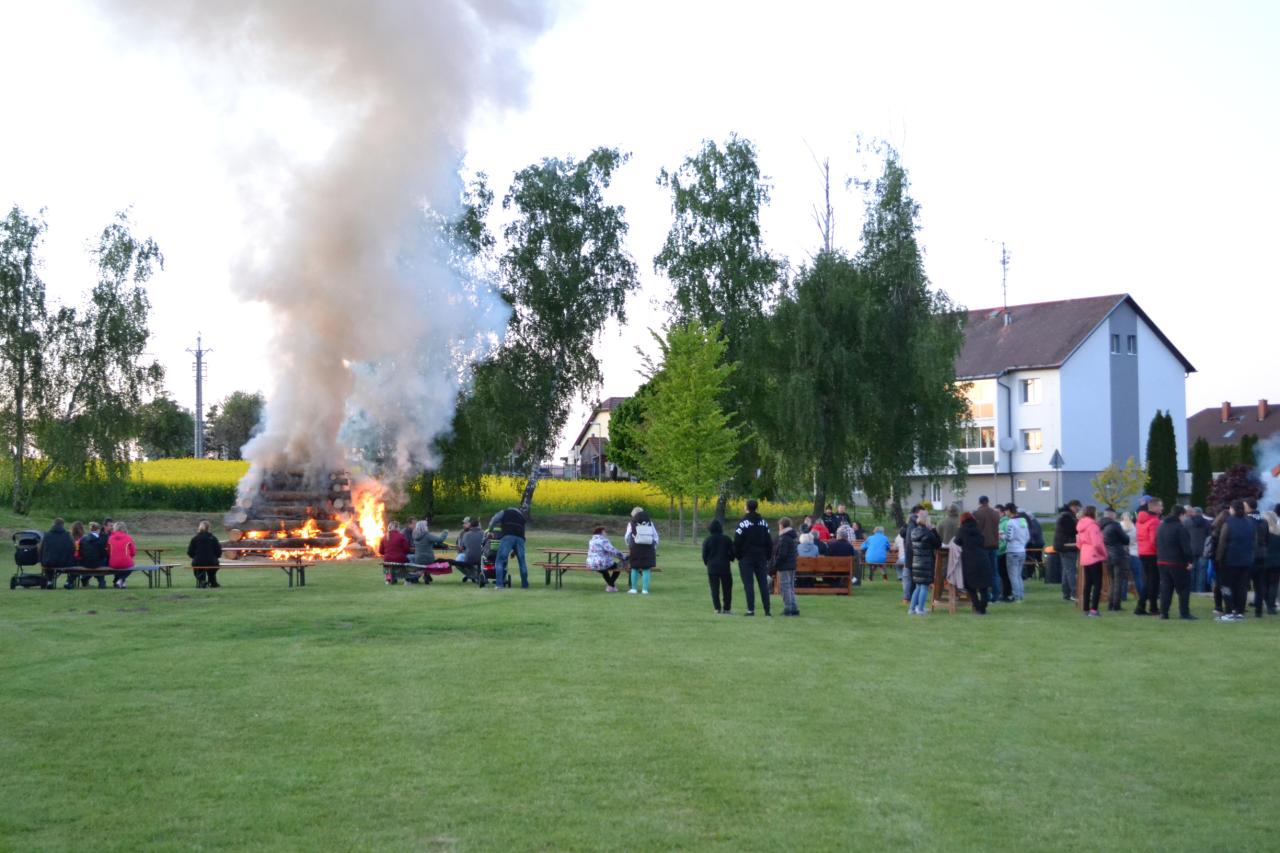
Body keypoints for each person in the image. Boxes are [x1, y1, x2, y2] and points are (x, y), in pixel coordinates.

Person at [1215, 500, 1257, 622]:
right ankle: (1239, 611)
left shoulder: (1228, 522)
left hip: (1230, 560)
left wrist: (1218, 559)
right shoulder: (1250, 522)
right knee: (1242, 587)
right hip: (1246, 560)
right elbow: (1254, 542)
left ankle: (1229, 611)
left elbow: (1222, 543)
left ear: (1232, 509)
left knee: (1227, 586)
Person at [1156, 504, 1196, 620]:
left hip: (1162, 561)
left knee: (1166, 588)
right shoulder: (1180, 528)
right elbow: (1186, 547)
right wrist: (1190, 561)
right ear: (1181, 515)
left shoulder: (1161, 526)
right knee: (1183, 588)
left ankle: (1164, 613)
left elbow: (1156, 542)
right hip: (1177, 562)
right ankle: (1184, 612)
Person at [734, 499, 773, 617]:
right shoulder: (763, 523)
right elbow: (769, 541)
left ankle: (751, 610)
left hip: (746, 557)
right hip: (761, 557)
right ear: (756, 508)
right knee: (763, 584)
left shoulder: (743, 523)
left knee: (748, 584)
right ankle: (767, 610)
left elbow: (737, 541)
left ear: (747, 507)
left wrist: (738, 556)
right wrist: (767, 556)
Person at [953, 511, 990, 615]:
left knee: (970, 586)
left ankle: (977, 607)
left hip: (969, 559)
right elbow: (983, 541)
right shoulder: (978, 529)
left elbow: (957, 542)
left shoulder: (962, 530)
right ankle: (983, 607)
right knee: (983, 585)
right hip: (983, 558)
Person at [1075, 506, 1106, 617]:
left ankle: (1086, 609)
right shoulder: (1093, 526)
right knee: (1097, 584)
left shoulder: (1080, 525)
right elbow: (1097, 543)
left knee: (1087, 583)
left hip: (1085, 555)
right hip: (1094, 556)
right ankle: (1094, 610)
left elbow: (1078, 543)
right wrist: (1104, 554)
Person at [909, 509, 940, 615]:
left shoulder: (913, 532)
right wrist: (934, 530)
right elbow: (938, 544)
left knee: (918, 586)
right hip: (926, 562)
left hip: (916, 561)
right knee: (924, 586)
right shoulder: (928, 533)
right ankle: (920, 609)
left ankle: (912, 609)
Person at [490, 506, 529, 590]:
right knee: (522, 562)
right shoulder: (521, 517)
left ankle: (499, 585)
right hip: (520, 539)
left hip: (508, 537)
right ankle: (525, 585)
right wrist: (515, 552)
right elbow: (523, 533)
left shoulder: (504, 512)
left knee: (499, 561)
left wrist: (490, 530)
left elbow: (494, 519)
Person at [1135, 497, 1162, 615]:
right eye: (1160, 506)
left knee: (1148, 581)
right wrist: (1160, 551)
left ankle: (1143, 606)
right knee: (1153, 582)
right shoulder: (1154, 521)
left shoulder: (1140, 520)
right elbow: (1154, 540)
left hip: (1142, 552)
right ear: (1154, 507)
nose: (1162, 508)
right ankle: (1151, 607)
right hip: (1152, 553)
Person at [701, 519, 735, 613]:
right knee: (727, 589)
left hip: (712, 567)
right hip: (725, 566)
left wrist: (707, 562)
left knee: (714, 589)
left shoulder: (707, 540)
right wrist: (731, 558)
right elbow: (733, 552)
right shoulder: (727, 539)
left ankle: (717, 608)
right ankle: (727, 608)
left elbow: (704, 554)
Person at [1101, 508, 1131, 612]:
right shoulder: (1115, 525)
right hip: (1118, 555)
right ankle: (1116, 605)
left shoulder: (1101, 526)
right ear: (1112, 515)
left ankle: (1111, 604)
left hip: (1107, 555)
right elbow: (1126, 540)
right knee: (1118, 581)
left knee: (1112, 581)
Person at [624, 506, 659, 595]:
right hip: (649, 548)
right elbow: (655, 536)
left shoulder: (631, 523)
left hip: (635, 548)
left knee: (634, 568)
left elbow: (627, 537)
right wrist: (654, 547)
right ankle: (645, 590)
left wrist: (629, 546)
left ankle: (634, 589)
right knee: (646, 569)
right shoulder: (650, 523)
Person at [973, 496, 1002, 602]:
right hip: (994, 545)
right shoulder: (995, 513)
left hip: (982, 546)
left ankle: (986, 595)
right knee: (994, 572)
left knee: (983, 572)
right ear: (988, 502)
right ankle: (996, 596)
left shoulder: (976, 514)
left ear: (979, 502)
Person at [1245, 499, 1269, 617]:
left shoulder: (1246, 520)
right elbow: (1267, 538)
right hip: (1262, 555)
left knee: (1243, 583)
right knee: (1259, 585)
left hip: (1249, 555)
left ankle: (1239, 608)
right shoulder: (1263, 521)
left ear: (1249, 507)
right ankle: (1258, 610)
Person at [1054, 500, 1082, 603]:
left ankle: (1066, 594)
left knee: (1067, 571)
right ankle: (1074, 593)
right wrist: (1079, 522)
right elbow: (1072, 531)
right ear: (1073, 507)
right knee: (1071, 571)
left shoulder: (1065, 516)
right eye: (1077, 508)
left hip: (1064, 546)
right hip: (1068, 546)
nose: (1078, 510)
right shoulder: (1067, 517)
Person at [772, 517, 800, 616]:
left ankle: (788, 608)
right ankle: (794, 607)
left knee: (785, 587)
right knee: (790, 586)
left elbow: (782, 554)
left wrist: (776, 564)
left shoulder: (784, 538)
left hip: (784, 565)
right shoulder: (793, 536)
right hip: (792, 565)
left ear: (782, 525)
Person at [588, 526, 627, 593]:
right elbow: (613, 551)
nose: (606, 533)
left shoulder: (591, 540)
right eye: (605, 532)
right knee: (618, 568)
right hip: (601, 563)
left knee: (604, 571)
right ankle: (611, 586)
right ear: (602, 532)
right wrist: (623, 556)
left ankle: (611, 587)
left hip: (591, 563)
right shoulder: (603, 541)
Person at [40, 517, 75, 589]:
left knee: (48, 562)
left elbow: (41, 549)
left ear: (53, 524)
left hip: (49, 562)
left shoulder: (47, 535)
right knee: (76, 564)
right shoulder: (68, 535)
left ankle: (49, 581)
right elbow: (73, 549)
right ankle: (68, 582)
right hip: (65, 563)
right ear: (63, 525)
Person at [1003, 503, 1029, 602]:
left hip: (1012, 551)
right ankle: (1021, 594)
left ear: (1009, 511)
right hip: (1022, 550)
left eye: (1006, 511)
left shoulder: (1010, 522)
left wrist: (1002, 536)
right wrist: (1022, 544)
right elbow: (1027, 536)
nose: (1005, 513)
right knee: (1018, 574)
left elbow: (1009, 537)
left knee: (1013, 575)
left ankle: (1016, 596)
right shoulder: (1023, 521)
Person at [451, 517, 487, 585]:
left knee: (460, 560)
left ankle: (475, 576)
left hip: (469, 556)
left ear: (470, 524)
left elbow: (461, 547)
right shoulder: (483, 533)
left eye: (465, 523)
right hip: (479, 556)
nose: (463, 525)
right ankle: (478, 575)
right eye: (463, 523)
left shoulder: (466, 534)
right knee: (460, 558)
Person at [1184, 506, 1212, 593]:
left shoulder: (1187, 522)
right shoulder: (1207, 523)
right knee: (1202, 572)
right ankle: (1200, 591)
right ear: (1201, 513)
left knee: (1191, 571)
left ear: (1193, 513)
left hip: (1191, 550)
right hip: (1203, 551)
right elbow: (1209, 537)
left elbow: (1184, 536)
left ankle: (1191, 590)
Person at [187, 520, 222, 588]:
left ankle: (201, 581)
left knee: (197, 566)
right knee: (213, 567)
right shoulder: (213, 538)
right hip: (212, 562)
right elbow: (219, 552)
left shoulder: (195, 539)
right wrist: (214, 557)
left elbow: (190, 552)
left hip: (198, 561)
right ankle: (212, 581)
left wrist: (195, 557)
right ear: (209, 528)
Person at [1121, 511, 1144, 601]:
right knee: (1138, 576)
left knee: (1124, 577)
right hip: (1135, 553)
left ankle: (1123, 596)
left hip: (1124, 554)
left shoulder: (1120, 526)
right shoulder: (1135, 527)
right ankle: (1142, 594)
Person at [78, 521, 108, 588]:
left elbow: (80, 552)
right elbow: (103, 554)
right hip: (97, 564)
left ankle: (85, 578)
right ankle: (101, 581)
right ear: (98, 530)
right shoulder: (101, 540)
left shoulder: (83, 539)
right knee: (104, 560)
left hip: (85, 563)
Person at [107, 521, 136, 589]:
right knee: (131, 566)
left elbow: (108, 552)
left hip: (113, 562)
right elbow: (133, 552)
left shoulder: (110, 538)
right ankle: (121, 580)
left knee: (120, 567)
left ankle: (121, 582)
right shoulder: (128, 538)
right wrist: (130, 557)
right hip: (126, 562)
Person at [1261, 511, 1280, 616]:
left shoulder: (1262, 534)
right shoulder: (1278, 533)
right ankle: (1271, 606)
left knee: (1264, 583)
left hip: (1264, 561)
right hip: (1276, 562)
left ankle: (1268, 603)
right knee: (1273, 584)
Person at [64, 521, 87, 589]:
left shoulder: (69, 537)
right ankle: (70, 581)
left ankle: (69, 581)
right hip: (78, 560)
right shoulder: (84, 538)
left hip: (69, 559)